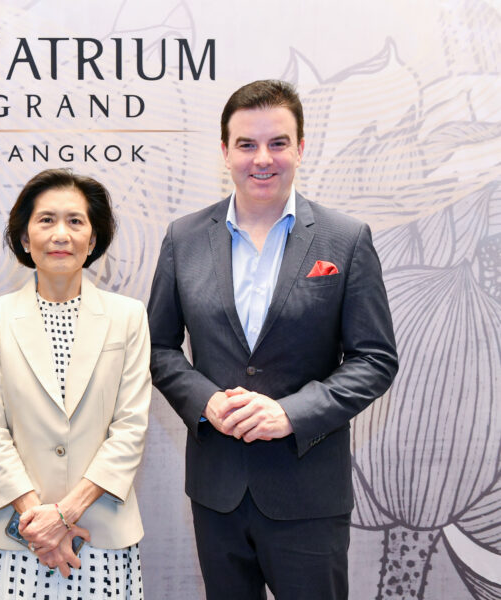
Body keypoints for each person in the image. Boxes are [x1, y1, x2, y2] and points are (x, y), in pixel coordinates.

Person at [147, 80, 398, 600]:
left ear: (300, 148)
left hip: (308, 493)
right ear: (225, 151)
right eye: (247, 144)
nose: (262, 159)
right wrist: (205, 401)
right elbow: (157, 347)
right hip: (217, 492)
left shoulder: (346, 239)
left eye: (278, 143)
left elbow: (374, 359)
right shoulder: (183, 238)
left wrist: (290, 413)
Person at [0, 169, 150, 599]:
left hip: (101, 530)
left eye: (75, 221)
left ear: (93, 239)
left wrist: (65, 515)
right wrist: (39, 523)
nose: (61, 234)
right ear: (25, 238)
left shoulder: (128, 317)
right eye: (46, 220)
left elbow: (130, 429)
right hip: (17, 534)